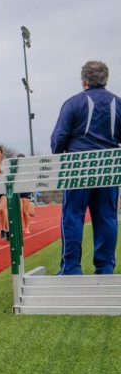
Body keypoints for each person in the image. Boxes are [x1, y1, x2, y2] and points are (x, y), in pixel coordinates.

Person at [50, 60, 121, 275]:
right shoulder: (118, 103)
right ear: (105, 80)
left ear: (84, 81)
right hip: (109, 168)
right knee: (107, 216)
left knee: (73, 215)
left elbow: (58, 140)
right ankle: (105, 267)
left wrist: (61, 152)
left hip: (77, 169)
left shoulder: (73, 103)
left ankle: (71, 267)